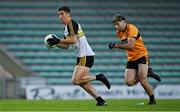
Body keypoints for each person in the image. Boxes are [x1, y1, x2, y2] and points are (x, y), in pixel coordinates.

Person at [46, 6, 110, 106]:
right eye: (58, 14)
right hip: (83, 56)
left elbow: (73, 40)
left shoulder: (71, 23)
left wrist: (57, 40)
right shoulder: (66, 27)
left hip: (85, 55)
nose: (60, 16)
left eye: (62, 14)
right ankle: (100, 100)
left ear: (68, 14)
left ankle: (99, 77)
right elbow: (66, 46)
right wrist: (55, 44)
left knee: (75, 80)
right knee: (80, 81)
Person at [108, 14, 161, 105]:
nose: (116, 26)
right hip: (131, 58)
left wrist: (116, 45)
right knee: (128, 82)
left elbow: (131, 45)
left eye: (117, 24)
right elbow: (126, 45)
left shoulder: (132, 29)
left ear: (124, 22)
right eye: (115, 25)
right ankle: (147, 73)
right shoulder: (119, 32)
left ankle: (152, 100)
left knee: (143, 81)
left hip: (141, 56)